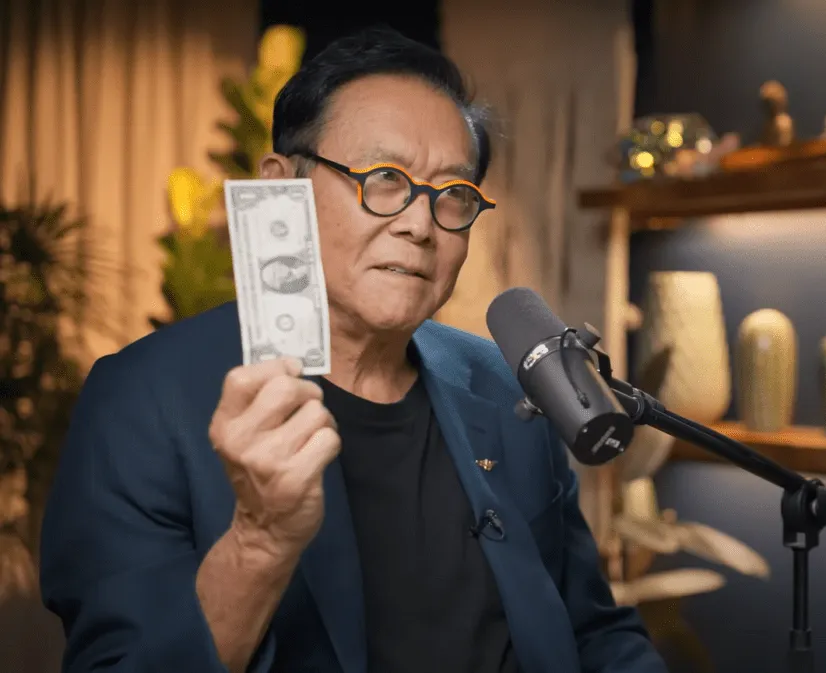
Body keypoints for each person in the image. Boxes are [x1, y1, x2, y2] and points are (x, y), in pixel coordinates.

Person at [38, 25, 667, 673]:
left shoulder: (507, 387)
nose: (419, 224)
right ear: (281, 187)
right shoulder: (141, 399)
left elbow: (593, 631)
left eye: (453, 195)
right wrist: (259, 542)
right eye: (384, 178)